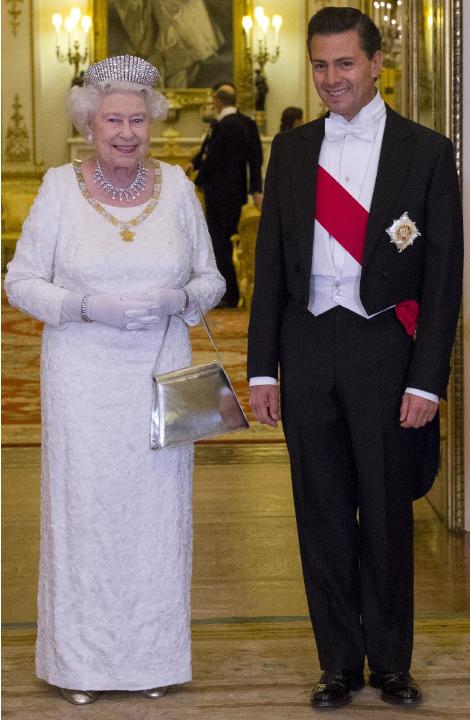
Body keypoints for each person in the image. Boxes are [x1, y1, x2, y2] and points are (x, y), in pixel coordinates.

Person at [248, 7, 463, 709]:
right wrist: (261, 368)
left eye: (344, 63)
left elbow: (442, 277)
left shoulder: (426, 151)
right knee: (322, 514)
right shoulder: (293, 148)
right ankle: (338, 661)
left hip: (382, 351)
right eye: (319, 65)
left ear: (376, 64)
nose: (331, 78)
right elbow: (272, 267)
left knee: (388, 515)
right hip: (308, 349)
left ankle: (392, 663)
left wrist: (428, 379)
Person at [5, 55, 225, 706]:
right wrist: (82, 306)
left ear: (154, 122)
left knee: (157, 518)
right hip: (82, 381)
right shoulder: (56, 187)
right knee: (87, 518)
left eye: (137, 119)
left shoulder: (180, 189)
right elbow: (18, 281)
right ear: (89, 123)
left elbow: (211, 279)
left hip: (163, 375)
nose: (126, 132)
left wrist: (176, 297)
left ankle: (151, 662)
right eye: (112, 121)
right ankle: (81, 667)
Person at [188, 83, 263, 307]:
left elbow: (213, 158)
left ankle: (228, 294)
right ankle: (231, 291)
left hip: (218, 192)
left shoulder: (222, 126)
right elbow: (255, 159)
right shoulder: (247, 123)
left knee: (219, 243)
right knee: (232, 240)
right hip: (237, 192)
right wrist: (255, 188)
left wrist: (198, 181)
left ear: (218, 102)